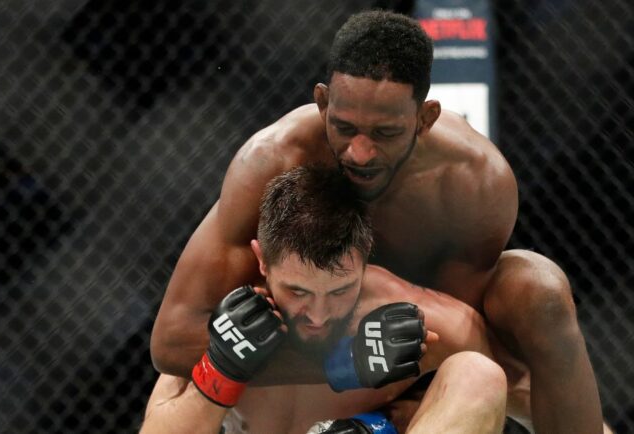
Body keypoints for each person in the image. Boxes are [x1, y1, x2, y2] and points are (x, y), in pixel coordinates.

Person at [151, 10, 603, 433]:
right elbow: (172, 340)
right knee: (216, 347)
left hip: (399, 352)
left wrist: (381, 419)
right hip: (277, 343)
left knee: (535, 292)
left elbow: (450, 341)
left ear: (425, 119)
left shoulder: (471, 185)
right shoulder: (272, 161)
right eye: (344, 127)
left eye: (384, 133)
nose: (359, 153)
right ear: (323, 103)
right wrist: (342, 363)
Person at [141, 165, 509, 434]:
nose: (317, 314)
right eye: (298, 291)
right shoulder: (230, 315)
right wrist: (220, 371)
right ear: (261, 262)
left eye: (339, 291)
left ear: (365, 262)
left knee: (478, 374)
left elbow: (493, 410)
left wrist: (380, 427)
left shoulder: (415, 323)